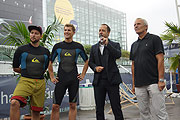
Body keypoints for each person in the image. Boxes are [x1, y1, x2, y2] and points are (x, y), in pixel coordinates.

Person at [130, 18, 169, 120]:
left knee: (159, 112)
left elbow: (160, 59)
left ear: (146, 27)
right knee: (144, 114)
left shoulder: (155, 39)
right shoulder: (134, 45)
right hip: (139, 85)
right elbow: (133, 65)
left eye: (138, 24)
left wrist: (161, 80)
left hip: (154, 82)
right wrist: (134, 84)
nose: (136, 26)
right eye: (134, 25)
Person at [49, 24, 88, 120]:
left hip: (73, 79)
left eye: (69, 30)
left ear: (73, 32)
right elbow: (50, 61)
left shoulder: (78, 46)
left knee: (73, 105)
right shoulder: (58, 46)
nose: (66, 32)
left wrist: (83, 74)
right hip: (61, 79)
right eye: (65, 30)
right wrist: (52, 76)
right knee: (55, 106)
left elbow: (87, 61)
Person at [10, 25, 50, 120]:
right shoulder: (21, 50)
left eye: (36, 33)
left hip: (40, 83)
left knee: (36, 112)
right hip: (25, 81)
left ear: (41, 36)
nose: (33, 35)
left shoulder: (46, 52)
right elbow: (15, 68)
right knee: (14, 103)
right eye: (32, 33)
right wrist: (27, 72)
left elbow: (44, 69)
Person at [89, 24, 124, 120]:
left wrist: (107, 44)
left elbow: (117, 55)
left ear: (108, 33)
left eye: (103, 30)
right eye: (99, 30)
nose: (100, 32)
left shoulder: (115, 45)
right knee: (99, 108)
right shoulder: (93, 47)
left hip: (112, 81)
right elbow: (90, 62)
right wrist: (95, 68)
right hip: (99, 81)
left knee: (116, 107)